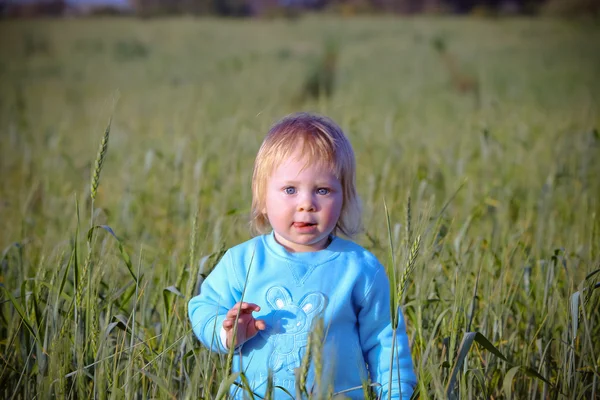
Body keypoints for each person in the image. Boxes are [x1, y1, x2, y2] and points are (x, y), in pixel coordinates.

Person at [188, 112, 416, 399]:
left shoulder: (360, 268)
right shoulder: (243, 262)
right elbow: (202, 307)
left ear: (343, 196)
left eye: (322, 190)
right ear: (262, 197)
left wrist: (395, 394)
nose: (306, 204)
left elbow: (387, 344)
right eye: (290, 190)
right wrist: (227, 333)